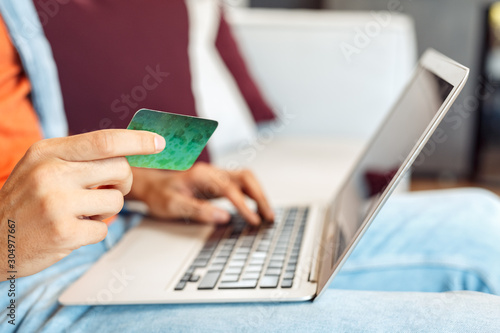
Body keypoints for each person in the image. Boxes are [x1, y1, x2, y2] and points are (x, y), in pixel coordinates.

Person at [1, 1, 500, 332]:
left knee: (483, 222)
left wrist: (144, 187)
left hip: (101, 228)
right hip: (26, 290)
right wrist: (6, 243)